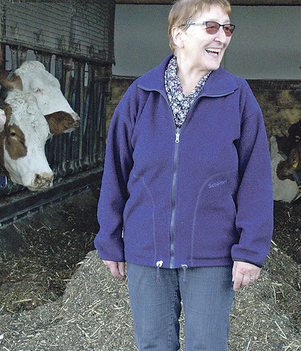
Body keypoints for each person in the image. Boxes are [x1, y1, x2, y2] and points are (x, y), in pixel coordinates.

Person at [94, 0, 273, 349]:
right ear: (179, 34)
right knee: (154, 346)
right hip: (147, 251)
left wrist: (250, 250)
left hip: (212, 254)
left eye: (227, 28)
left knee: (207, 345)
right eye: (211, 27)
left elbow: (256, 178)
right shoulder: (140, 96)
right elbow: (115, 172)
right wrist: (109, 239)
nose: (222, 37)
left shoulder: (238, 97)